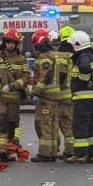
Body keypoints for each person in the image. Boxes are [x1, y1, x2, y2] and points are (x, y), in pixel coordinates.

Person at [0, 28, 30, 161]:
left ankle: (10, 149)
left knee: (12, 125)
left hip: (13, 98)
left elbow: (26, 78)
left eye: (13, 43)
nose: (10, 45)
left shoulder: (21, 60)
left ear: (17, 44)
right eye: (8, 42)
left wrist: (12, 86)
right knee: (1, 121)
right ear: (4, 43)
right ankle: (1, 150)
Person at [67, 30, 93, 164]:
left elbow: (85, 69)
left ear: (77, 44)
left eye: (72, 45)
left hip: (84, 96)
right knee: (91, 124)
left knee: (80, 125)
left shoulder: (83, 57)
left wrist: (83, 80)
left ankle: (80, 154)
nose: (71, 48)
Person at [30, 29, 60, 162]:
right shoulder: (53, 54)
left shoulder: (44, 56)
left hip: (46, 96)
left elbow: (45, 76)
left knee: (44, 124)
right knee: (52, 124)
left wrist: (36, 92)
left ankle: (45, 153)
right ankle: (52, 151)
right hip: (54, 96)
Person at [55, 26, 75, 158]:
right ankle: (70, 150)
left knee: (55, 124)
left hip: (60, 96)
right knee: (69, 124)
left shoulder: (60, 56)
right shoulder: (76, 56)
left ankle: (54, 149)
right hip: (73, 95)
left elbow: (60, 77)